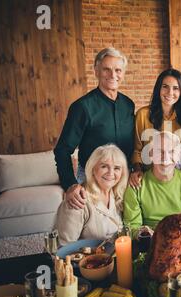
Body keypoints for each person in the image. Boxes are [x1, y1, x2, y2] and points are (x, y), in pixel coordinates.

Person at [54, 47, 135, 210]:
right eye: (107, 69)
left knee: (123, 227)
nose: (113, 75)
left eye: (118, 70)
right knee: (95, 230)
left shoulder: (128, 105)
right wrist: (70, 184)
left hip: (122, 179)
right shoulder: (82, 107)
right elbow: (62, 149)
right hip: (92, 180)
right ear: (96, 71)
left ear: (123, 73)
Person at [123, 132, 181, 234]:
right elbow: (131, 226)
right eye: (160, 152)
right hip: (149, 242)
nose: (165, 158)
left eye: (171, 152)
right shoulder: (136, 185)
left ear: (179, 155)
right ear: (151, 154)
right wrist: (143, 233)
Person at [129, 68, 181, 188]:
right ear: (158, 88)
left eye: (175, 88)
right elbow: (137, 150)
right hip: (149, 180)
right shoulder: (143, 114)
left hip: (179, 179)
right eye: (165, 87)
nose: (170, 92)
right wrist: (137, 170)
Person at [55, 144, 128, 246]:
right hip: (84, 260)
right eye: (104, 166)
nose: (111, 173)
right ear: (93, 169)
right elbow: (63, 249)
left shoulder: (119, 195)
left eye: (117, 168)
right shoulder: (77, 200)